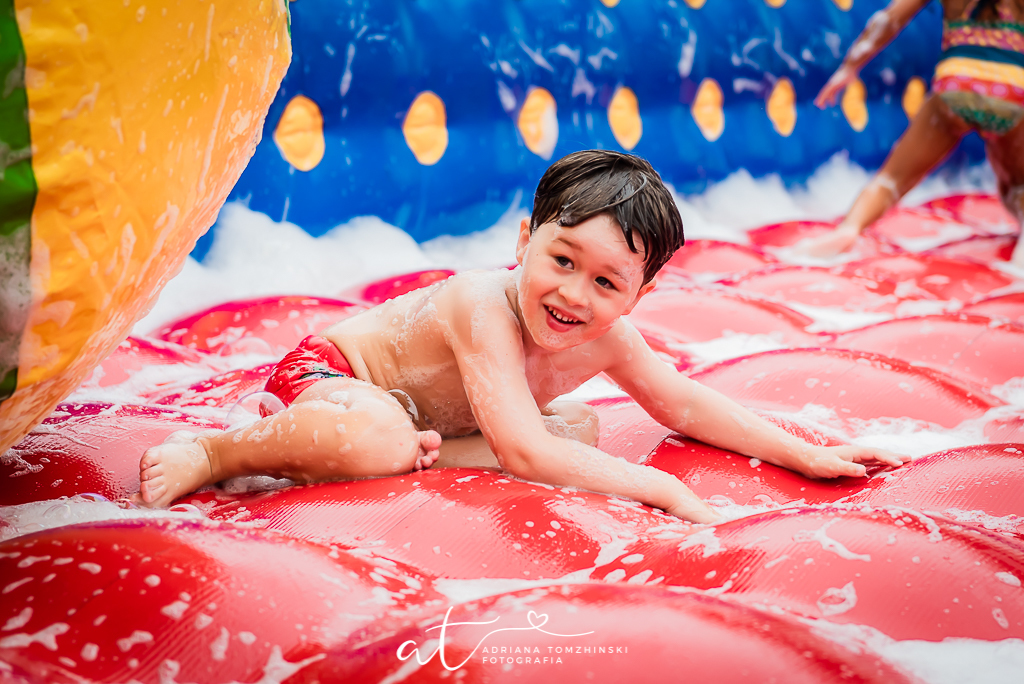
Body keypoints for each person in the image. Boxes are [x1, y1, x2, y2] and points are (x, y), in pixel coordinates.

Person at [135, 150, 908, 522]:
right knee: (395, 436)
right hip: (333, 378)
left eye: (606, 282)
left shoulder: (608, 337)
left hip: (424, 422)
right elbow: (525, 455)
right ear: (524, 239)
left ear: (640, 294)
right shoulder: (481, 304)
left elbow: (684, 404)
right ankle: (219, 452)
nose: (572, 294)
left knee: (581, 426)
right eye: (561, 260)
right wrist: (667, 490)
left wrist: (807, 454)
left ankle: (403, 450)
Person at [798, 0, 1024, 265]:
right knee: (1017, 183)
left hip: (957, 82)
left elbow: (888, 20)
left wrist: (849, 67)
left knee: (891, 179)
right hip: (1012, 88)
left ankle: (849, 228)